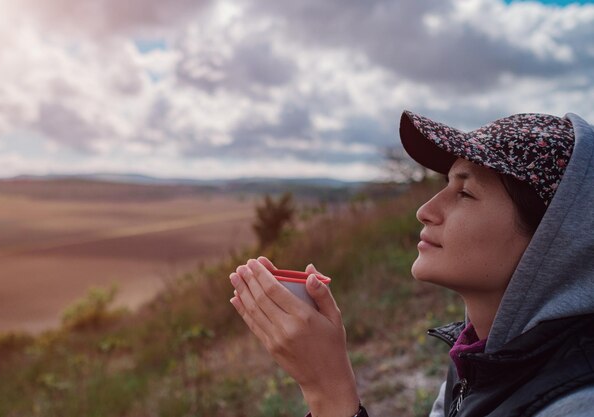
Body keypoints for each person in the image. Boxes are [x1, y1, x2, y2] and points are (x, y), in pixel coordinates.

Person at [228, 109, 594, 417]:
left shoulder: (575, 404)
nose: (425, 211)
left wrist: (328, 390)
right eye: (446, 184)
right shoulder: (480, 357)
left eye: (465, 192)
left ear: (554, 235)